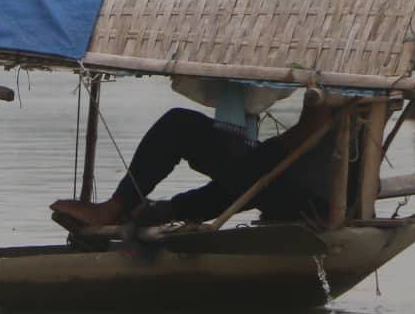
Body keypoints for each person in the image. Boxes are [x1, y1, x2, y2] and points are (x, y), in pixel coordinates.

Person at [49, 93, 353, 230]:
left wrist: (174, 209)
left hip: (313, 198)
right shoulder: (372, 61)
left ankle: (118, 210)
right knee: (257, 167)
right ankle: (163, 210)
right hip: (338, 195)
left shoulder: (339, 73)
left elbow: (304, 137)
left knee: (178, 125)